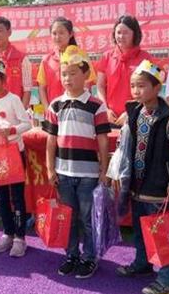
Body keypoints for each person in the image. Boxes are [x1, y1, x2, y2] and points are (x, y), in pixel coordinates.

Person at [115, 60, 169, 294]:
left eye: (141, 86)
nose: (136, 91)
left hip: (161, 189)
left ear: (157, 87)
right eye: (133, 86)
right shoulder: (135, 112)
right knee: (140, 230)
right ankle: (142, 263)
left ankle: (167, 281)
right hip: (138, 186)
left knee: (167, 235)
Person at [43, 45, 110, 279]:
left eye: (73, 73)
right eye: (64, 74)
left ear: (86, 74)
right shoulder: (55, 105)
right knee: (68, 218)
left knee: (87, 219)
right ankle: (71, 255)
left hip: (88, 174)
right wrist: (50, 169)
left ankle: (90, 257)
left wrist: (104, 170)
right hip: (63, 173)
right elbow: (51, 140)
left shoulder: (96, 105)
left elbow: (103, 140)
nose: (67, 78)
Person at [0, 56, 32, 257]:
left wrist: (11, 130)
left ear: (3, 79)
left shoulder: (13, 99)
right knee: (1, 197)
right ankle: (7, 233)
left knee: (17, 197)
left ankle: (20, 237)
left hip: (14, 153)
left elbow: (27, 123)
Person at [96, 15, 151, 126]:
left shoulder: (146, 58)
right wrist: (105, 109)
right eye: (118, 32)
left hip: (136, 117)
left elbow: (152, 89)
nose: (121, 36)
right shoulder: (106, 56)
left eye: (125, 33)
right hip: (110, 118)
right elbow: (100, 86)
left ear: (135, 34)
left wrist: (131, 112)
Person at [37, 17, 96, 108]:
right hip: (54, 110)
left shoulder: (81, 56)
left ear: (70, 34)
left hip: (77, 108)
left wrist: (80, 106)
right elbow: (42, 87)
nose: (57, 37)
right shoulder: (46, 60)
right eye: (54, 33)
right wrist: (47, 108)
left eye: (61, 33)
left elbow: (87, 83)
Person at [0, 17, 33, 108]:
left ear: (9, 32)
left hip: (14, 111)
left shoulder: (22, 59)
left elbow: (27, 90)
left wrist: (21, 112)